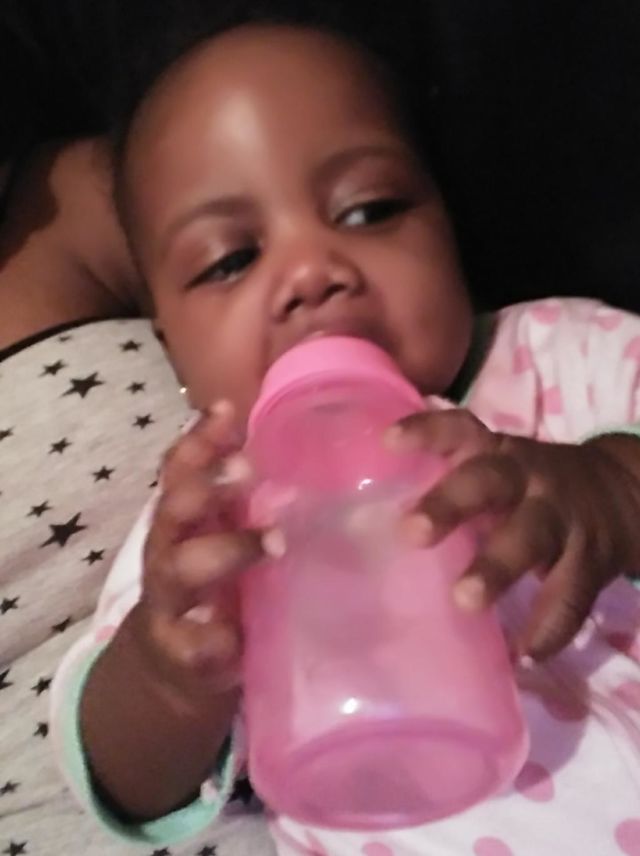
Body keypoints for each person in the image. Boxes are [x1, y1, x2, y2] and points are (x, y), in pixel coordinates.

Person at [51, 11, 640, 856]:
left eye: (369, 210)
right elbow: (124, 777)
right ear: (171, 349)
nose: (309, 272)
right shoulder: (214, 510)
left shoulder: (562, 357)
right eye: (229, 260)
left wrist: (613, 483)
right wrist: (168, 678)